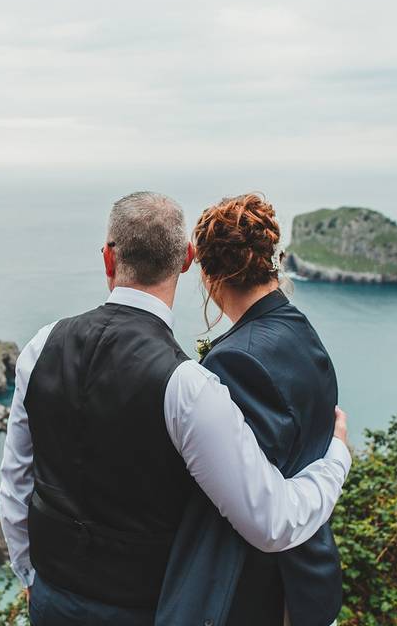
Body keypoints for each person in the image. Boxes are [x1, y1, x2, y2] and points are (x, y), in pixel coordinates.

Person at [0, 191, 351, 625]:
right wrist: (336, 459)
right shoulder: (188, 386)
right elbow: (270, 520)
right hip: (144, 609)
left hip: (51, 600)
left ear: (109, 259)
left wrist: (30, 576)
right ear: (186, 260)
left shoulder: (40, 346)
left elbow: (16, 481)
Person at [157, 193, 344, 626]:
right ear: (269, 259)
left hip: (261, 590)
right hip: (311, 571)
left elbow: (248, 498)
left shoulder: (235, 360)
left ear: (207, 274)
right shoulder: (302, 332)